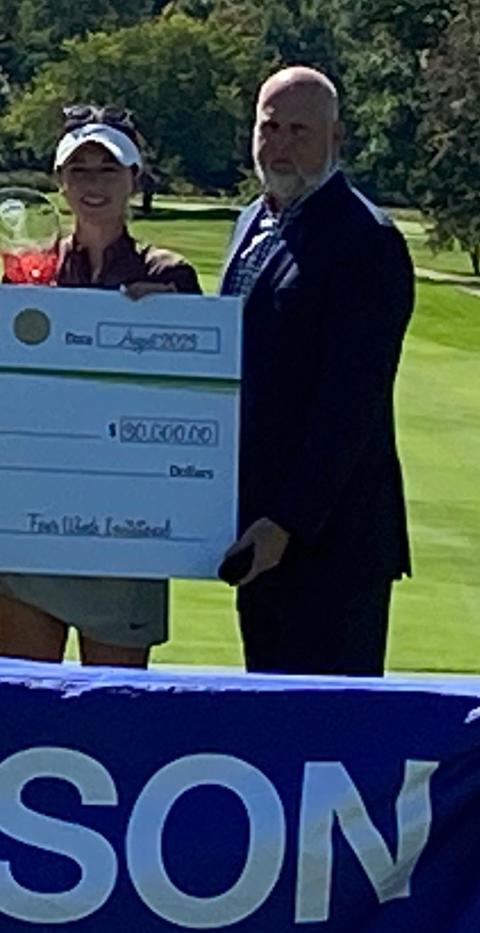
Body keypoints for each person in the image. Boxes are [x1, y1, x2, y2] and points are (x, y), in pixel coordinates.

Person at [0, 106, 202, 668]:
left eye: (108, 169)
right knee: (23, 698)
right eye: (78, 170)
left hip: (125, 529)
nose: (93, 184)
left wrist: (174, 326)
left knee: (113, 713)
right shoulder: (29, 271)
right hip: (31, 519)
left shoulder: (169, 275)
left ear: (134, 178)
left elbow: (193, 398)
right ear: (60, 183)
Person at [219, 66, 414, 676]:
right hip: (258, 537)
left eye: (299, 131)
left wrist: (287, 523)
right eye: (269, 127)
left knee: (325, 737)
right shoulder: (254, 220)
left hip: (328, 546)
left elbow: (349, 408)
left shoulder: (366, 240)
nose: (279, 144)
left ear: (336, 137)